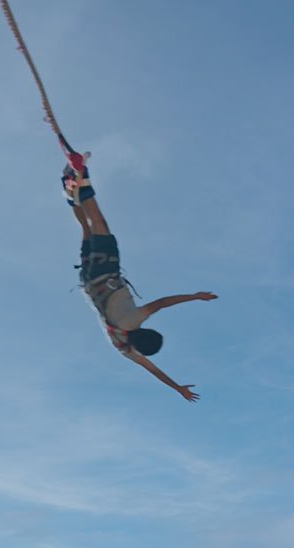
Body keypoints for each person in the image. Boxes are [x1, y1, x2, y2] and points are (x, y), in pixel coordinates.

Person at [63, 146, 217, 402]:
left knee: (99, 224)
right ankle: (71, 190)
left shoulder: (135, 319)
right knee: (86, 231)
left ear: (147, 331)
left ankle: (80, 174)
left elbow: (163, 303)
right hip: (88, 280)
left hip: (105, 270)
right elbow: (153, 370)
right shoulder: (123, 348)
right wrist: (177, 388)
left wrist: (196, 296)